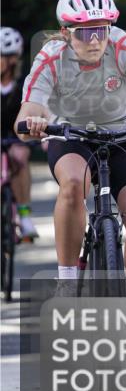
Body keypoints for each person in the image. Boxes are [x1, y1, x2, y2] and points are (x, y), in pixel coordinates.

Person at [15, 0, 126, 288]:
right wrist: (33, 122)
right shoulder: (50, 57)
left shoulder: (125, 47)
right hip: (69, 134)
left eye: (101, 30)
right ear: (65, 32)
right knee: (72, 184)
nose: (94, 40)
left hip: (122, 133)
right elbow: (28, 111)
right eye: (83, 32)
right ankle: (67, 280)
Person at [1, 26, 38, 242]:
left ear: (13, 59)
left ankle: (24, 217)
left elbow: (36, 109)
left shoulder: (24, 83)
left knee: (19, 159)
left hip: (15, 136)